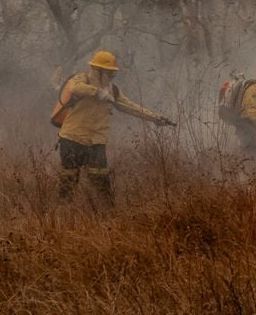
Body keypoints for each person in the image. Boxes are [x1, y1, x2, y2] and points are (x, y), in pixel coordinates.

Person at [55, 50, 173, 204]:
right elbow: (74, 88)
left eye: (113, 74)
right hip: (72, 139)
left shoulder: (113, 91)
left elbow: (129, 106)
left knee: (101, 181)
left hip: (96, 142)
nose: (111, 77)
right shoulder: (81, 79)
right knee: (69, 180)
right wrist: (97, 92)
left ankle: (107, 214)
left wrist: (155, 118)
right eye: (109, 73)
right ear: (98, 71)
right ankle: (62, 215)